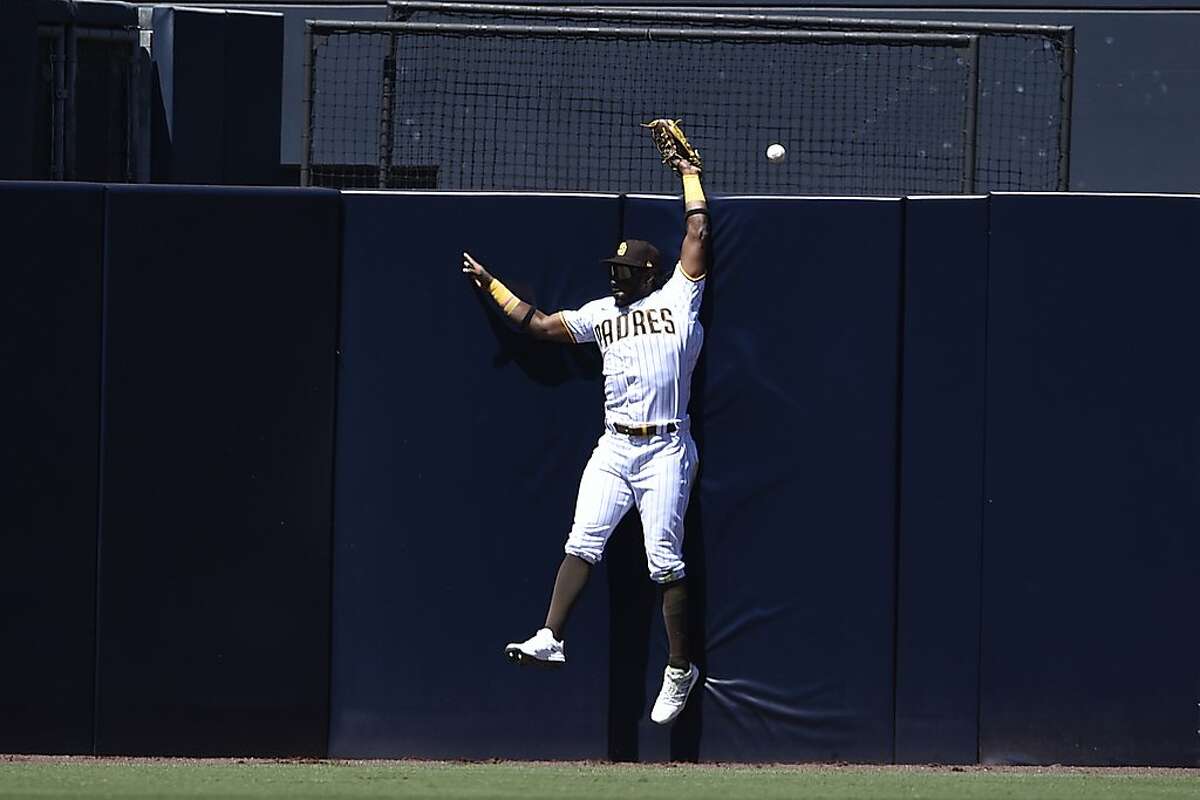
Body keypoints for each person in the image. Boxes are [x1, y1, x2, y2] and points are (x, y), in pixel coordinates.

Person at [461, 157, 709, 725]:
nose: (614, 276)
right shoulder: (601, 313)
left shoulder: (678, 297)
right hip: (615, 447)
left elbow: (697, 232)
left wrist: (689, 173)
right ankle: (552, 635)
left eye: (623, 270)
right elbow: (541, 325)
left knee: (664, 561)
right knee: (582, 541)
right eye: (612, 269)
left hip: (667, 447)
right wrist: (492, 285)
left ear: (648, 273)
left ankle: (679, 668)